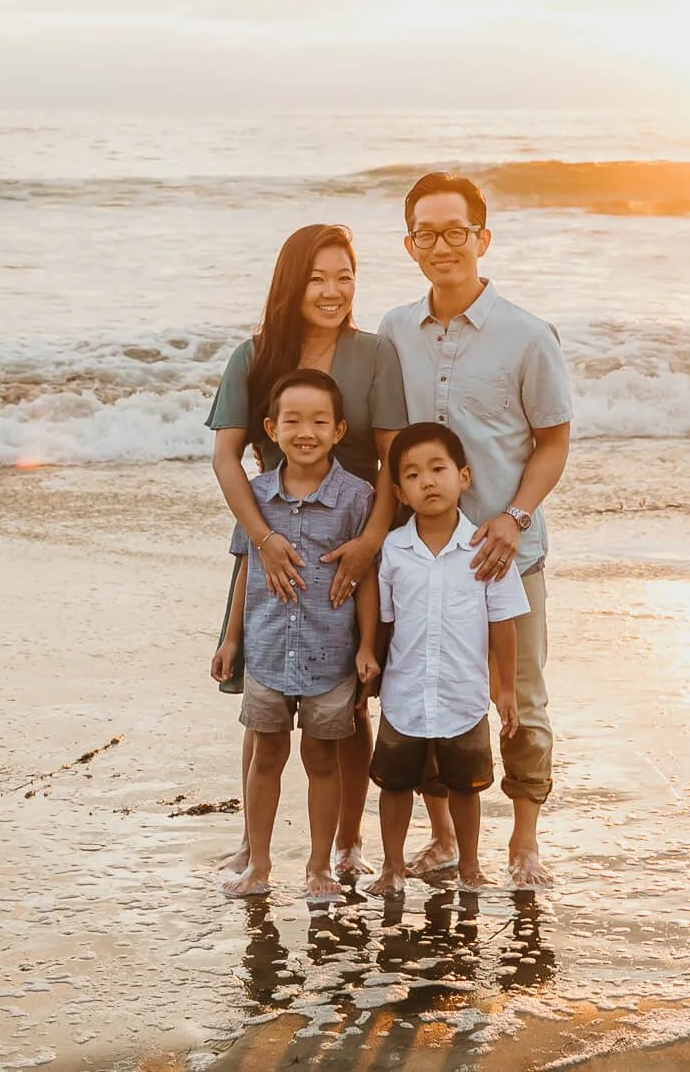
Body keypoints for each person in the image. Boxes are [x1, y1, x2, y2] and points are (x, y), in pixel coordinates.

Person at [376, 173, 572, 891]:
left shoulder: (527, 334)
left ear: (482, 238)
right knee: (425, 694)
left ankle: (524, 840)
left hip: (504, 556)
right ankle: (446, 838)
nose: (441, 245)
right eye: (425, 233)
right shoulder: (395, 329)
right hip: (425, 559)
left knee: (520, 696)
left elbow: (553, 440)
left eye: (456, 230)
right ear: (409, 245)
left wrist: (513, 517)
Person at [206, 223, 408, 882]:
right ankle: (252, 845)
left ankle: (346, 841)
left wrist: (370, 544)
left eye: (345, 275)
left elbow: (390, 459)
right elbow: (226, 454)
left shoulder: (375, 353)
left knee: (348, 702)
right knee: (261, 700)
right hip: (272, 543)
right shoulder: (254, 354)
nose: (333, 290)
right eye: (318, 277)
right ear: (293, 282)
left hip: (352, 534)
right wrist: (260, 539)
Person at [209, 369, 380, 901]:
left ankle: (318, 866)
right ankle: (258, 865)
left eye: (319, 421)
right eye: (293, 421)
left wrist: (368, 647)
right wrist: (231, 641)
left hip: (330, 656)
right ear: (271, 428)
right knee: (266, 757)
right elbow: (245, 573)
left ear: (339, 430)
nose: (306, 431)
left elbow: (367, 578)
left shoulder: (357, 497)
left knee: (323, 761)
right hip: (265, 651)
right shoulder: (255, 496)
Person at [367, 422, 525, 894]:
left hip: (463, 691)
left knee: (465, 785)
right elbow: (385, 622)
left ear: (464, 476)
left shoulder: (484, 549)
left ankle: (470, 865)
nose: (428, 481)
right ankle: (392, 867)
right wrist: (367, 671)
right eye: (413, 475)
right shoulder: (394, 549)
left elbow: (504, 623)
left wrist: (507, 690)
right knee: (394, 784)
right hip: (405, 691)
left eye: (438, 469)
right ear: (399, 490)